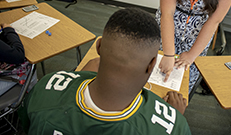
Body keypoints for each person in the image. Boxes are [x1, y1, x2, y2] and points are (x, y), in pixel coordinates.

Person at [19, 8, 191, 135]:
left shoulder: (45, 86)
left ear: (99, 46)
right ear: (152, 64)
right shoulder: (174, 127)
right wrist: (174, 116)